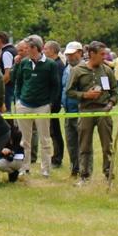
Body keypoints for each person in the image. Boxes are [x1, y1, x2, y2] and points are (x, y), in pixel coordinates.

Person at [66, 41, 118, 185]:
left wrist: (110, 103)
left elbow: (114, 92)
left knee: (107, 145)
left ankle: (108, 174)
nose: (104, 57)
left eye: (105, 54)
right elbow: (69, 92)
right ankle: (84, 175)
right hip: (86, 111)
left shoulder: (107, 70)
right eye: (101, 54)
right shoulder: (78, 70)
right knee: (84, 145)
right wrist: (85, 95)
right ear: (91, 54)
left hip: (103, 110)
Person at [12, 35, 60, 178]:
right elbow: (18, 82)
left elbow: (55, 85)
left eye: (27, 48)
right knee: (24, 139)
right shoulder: (24, 63)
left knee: (45, 139)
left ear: (35, 48)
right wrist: (18, 99)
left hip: (42, 106)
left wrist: (50, 102)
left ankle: (45, 167)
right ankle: (24, 166)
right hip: (24, 104)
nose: (24, 51)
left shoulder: (50, 64)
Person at [61, 42, 84, 178]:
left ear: (80, 53)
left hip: (80, 110)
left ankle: (84, 170)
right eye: (68, 55)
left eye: (72, 54)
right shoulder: (66, 69)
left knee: (83, 143)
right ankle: (74, 168)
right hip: (68, 111)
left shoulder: (85, 69)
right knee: (71, 142)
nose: (70, 57)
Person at [43, 40, 66, 169]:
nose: (44, 51)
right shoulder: (52, 64)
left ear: (52, 51)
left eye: (46, 49)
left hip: (53, 104)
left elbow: (56, 86)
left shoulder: (57, 65)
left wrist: (53, 103)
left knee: (55, 131)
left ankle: (57, 158)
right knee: (52, 131)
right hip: (50, 102)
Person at [0, 32, 18, 111]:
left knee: (6, 111)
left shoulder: (6, 53)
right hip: (13, 85)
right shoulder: (13, 49)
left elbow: (7, 75)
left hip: (7, 87)